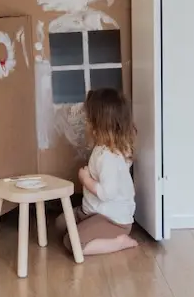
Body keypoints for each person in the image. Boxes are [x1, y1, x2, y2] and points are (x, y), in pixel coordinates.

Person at [56, 88, 139, 255]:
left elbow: (107, 193)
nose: (85, 120)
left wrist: (85, 179)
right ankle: (91, 231)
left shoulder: (109, 157)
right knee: (60, 223)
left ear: (98, 124)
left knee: (73, 243)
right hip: (94, 211)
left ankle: (119, 242)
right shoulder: (105, 148)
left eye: (88, 118)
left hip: (112, 220)